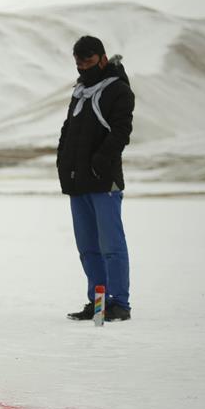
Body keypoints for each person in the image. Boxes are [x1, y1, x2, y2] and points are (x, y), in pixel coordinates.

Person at [59, 36, 135, 322]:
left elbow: (120, 134)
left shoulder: (119, 91)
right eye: (79, 64)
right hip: (78, 182)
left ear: (103, 59)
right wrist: (63, 164)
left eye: (88, 63)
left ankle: (120, 304)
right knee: (88, 248)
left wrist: (99, 164)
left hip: (104, 182)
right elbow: (68, 131)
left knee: (112, 246)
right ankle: (98, 302)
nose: (83, 69)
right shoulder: (80, 91)